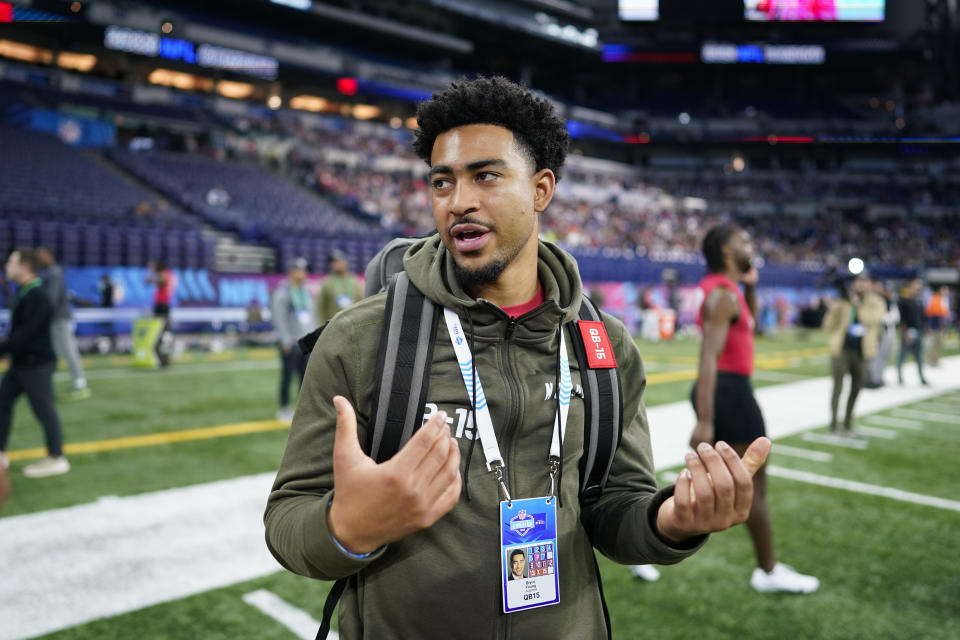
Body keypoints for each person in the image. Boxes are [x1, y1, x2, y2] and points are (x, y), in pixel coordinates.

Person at [264, 76, 771, 639]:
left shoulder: (604, 347)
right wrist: (347, 527)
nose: (459, 202)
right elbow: (287, 520)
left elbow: (615, 506)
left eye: (486, 175)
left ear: (541, 189)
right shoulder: (363, 338)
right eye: (442, 182)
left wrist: (670, 520)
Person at [687, 224, 818, 594]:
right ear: (727, 252)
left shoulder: (729, 292)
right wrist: (706, 417)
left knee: (700, 476)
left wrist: (752, 285)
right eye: (744, 240)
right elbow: (708, 359)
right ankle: (768, 570)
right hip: (728, 391)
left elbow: (752, 326)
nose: (751, 245)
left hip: (728, 389)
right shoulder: (721, 296)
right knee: (753, 487)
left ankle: (646, 539)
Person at [0, 250, 70, 478]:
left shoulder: (37, 296)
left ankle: (56, 457)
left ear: (24, 266)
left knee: (44, 410)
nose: (7, 266)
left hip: (36, 364)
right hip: (22, 364)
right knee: (2, 404)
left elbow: (25, 334)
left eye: (11, 262)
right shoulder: (25, 292)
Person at [821, 273, 885, 435]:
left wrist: (857, 305)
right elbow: (828, 326)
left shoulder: (876, 303)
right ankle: (834, 424)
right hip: (841, 349)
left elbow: (870, 320)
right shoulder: (844, 302)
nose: (860, 285)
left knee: (856, 388)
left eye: (864, 281)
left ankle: (848, 422)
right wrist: (832, 310)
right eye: (857, 281)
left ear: (870, 284)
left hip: (861, 351)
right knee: (838, 387)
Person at [36, 247, 90, 400]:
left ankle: (80, 383)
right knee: (56, 351)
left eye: (41, 255)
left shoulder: (53, 273)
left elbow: (51, 299)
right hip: (57, 319)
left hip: (59, 319)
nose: (39, 259)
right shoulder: (51, 273)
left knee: (68, 350)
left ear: (48, 256)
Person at [270, 257, 315, 424]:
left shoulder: (306, 291)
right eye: (299, 270)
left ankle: (302, 409)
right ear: (291, 272)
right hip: (290, 342)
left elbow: (311, 317)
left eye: (304, 270)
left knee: (305, 378)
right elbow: (279, 318)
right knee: (287, 376)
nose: (303, 274)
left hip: (305, 342)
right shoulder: (283, 292)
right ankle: (283, 408)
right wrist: (285, 340)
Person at [865, 281, 899, 389]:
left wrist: (888, 318)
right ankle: (872, 378)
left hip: (887, 331)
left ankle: (879, 377)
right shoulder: (871, 300)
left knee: (884, 356)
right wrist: (887, 318)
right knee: (874, 356)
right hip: (876, 331)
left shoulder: (888, 301)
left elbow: (896, 316)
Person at [315, 250, 363, 324]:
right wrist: (322, 327)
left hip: (352, 325)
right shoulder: (327, 282)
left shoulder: (355, 282)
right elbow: (321, 308)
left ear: (345, 262)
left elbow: (361, 304)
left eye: (338, 261)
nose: (336, 264)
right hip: (332, 326)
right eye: (333, 262)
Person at [897, 278, 928, 386]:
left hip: (918, 331)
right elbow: (901, 319)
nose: (918, 288)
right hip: (908, 331)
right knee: (902, 355)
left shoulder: (918, 300)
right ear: (910, 286)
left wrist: (924, 329)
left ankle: (921, 377)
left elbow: (922, 317)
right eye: (916, 285)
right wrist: (904, 332)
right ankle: (899, 377)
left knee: (919, 356)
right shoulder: (904, 300)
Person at [146, 260, 176, 367]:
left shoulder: (166, 274)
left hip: (162, 306)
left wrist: (152, 272)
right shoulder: (165, 274)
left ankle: (164, 359)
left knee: (162, 333)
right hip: (161, 306)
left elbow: (161, 281)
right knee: (160, 334)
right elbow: (147, 281)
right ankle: (162, 358)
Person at [925, 285, 950, 367]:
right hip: (937, 325)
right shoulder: (936, 298)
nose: (946, 292)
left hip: (941, 324)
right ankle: (932, 360)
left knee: (940, 343)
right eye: (944, 290)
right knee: (936, 343)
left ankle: (935, 359)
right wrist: (939, 325)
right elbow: (934, 313)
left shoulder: (944, 299)